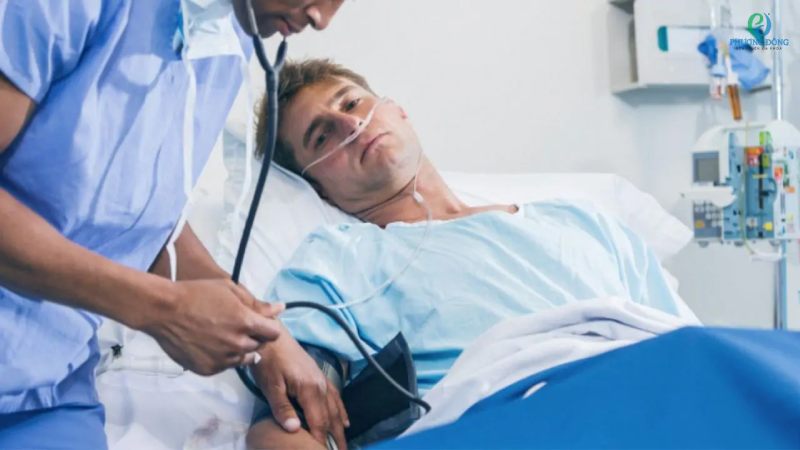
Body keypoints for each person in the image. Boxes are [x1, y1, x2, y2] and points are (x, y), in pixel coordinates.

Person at [244, 59, 689, 449]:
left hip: (654, 401)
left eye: (351, 103)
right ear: (318, 189)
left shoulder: (583, 222)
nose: (350, 125)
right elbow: (284, 425)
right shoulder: (335, 261)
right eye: (322, 137)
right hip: (509, 422)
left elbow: (682, 346)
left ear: (397, 110)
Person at [0, 2, 348, 449]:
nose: (321, 18)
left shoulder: (225, 37)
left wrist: (261, 336)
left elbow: (137, 212)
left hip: (49, 385)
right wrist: (159, 309)